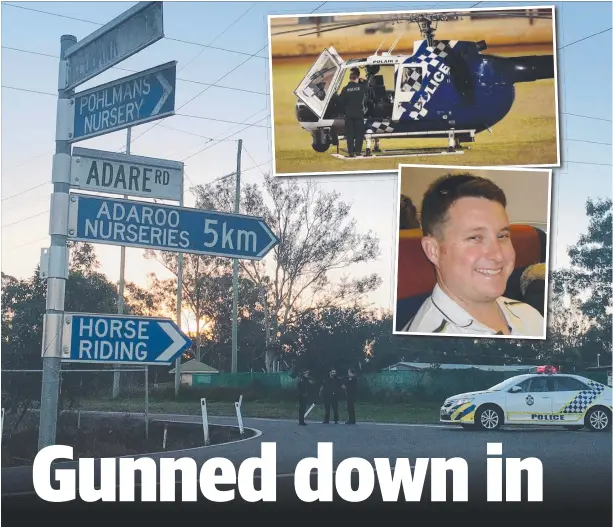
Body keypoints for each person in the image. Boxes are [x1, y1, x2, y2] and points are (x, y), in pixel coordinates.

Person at [401, 173, 545, 337]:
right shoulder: (423, 350)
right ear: (433, 250)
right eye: (475, 238)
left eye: (502, 236)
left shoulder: (529, 316)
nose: (498, 256)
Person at [339, 70, 367, 157]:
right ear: (357, 78)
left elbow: (341, 102)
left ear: (350, 78)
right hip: (359, 114)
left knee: (350, 134)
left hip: (348, 114)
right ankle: (358, 151)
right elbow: (368, 88)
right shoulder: (362, 87)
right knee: (359, 134)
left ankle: (351, 152)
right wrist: (364, 81)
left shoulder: (345, 89)